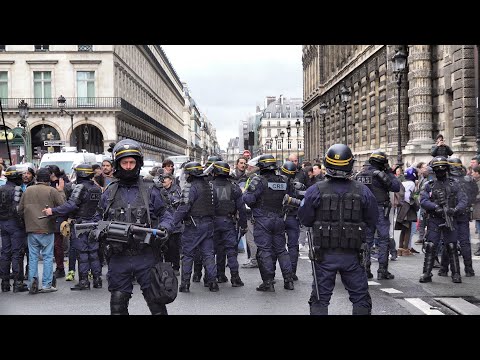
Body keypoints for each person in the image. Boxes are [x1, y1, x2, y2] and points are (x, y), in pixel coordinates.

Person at [94, 139, 173, 315]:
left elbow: (166, 214)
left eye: (132, 162)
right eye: (124, 162)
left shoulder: (151, 189)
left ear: (138, 163)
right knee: (118, 306)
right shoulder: (109, 191)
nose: (129, 166)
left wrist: (165, 228)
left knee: (156, 304)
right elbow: (98, 217)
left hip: (146, 255)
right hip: (118, 257)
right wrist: (97, 231)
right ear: (118, 164)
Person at [298, 144, 378, 315]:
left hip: (324, 255)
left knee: (320, 298)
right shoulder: (363, 191)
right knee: (360, 298)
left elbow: (305, 219)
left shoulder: (315, 191)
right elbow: (373, 220)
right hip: (353, 255)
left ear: (327, 165)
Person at [42, 164, 104, 290]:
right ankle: (97, 280)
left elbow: (71, 205)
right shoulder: (97, 188)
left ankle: (83, 281)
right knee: (93, 253)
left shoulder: (80, 187)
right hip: (94, 224)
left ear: (80, 174)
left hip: (81, 224)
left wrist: (52, 211)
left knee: (83, 254)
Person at [242, 154, 294, 292]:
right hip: (279, 219)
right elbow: (288, 197)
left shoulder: (258, 180)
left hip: (263, 219)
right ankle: (289, 281)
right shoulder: (283, 180)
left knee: (264, 251)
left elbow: (248, 199)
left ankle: (268, 282)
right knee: (281, 250)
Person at [419, 156, 467, 283]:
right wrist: (435, 207)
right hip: (435, 218)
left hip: (450, 217)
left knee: (451, 245)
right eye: (437, 169)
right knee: (430, 245)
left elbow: (463, 200)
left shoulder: (454, 184)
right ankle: (426, 273)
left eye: (442, 168)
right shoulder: (429, 185)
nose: (440, 171)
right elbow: (423, 200)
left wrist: (455, 210)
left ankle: (456, 273)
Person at [354, 150, 401, 280]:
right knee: (383, 239)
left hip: (365, 210)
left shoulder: (360, 174)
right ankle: (382, 270)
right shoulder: (380, 174)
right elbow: (396, 186)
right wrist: (389, 171)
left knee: (367, 240)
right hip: (380, 209)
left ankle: (366, 268)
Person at [17, 167, 66, 293]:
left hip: (31, 228)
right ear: (49, 178)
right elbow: (62, 206)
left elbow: (20, 210)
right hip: (47, 228)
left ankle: (32, 282)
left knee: (33, 257)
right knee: (47, 256)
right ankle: (46, 284)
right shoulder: (52, 191)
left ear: (36, 178)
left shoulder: (28, 190)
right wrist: (60, 191)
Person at [173, 161, 219, 293]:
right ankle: (213, 283)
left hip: (193, 225)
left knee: (188, 255)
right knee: (208, 254)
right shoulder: (210, 186)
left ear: (190, 174)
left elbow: (184, 207)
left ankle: (185, 284)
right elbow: (215, 205)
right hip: (208, 224)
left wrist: (173, 223)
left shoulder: (190, 187)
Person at [437, 157, 477, 277]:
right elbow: (474, 195)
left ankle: (444, 269)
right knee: (465, 242)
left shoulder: (447, 180)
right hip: (463, 214)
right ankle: (469, 269)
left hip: (450, 214)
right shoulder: (469, 179)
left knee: (449, 242)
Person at [211, 161, 247, 286]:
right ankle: (235, 278)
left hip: (213, 222)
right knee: (231, 251)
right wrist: (243, 225)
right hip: (228, 222)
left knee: (214, 250)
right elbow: (241, 208)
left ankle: (218, 276)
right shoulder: (234, 187)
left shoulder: (209, 186)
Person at [0, 166, 29, 292]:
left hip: (3, 223)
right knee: (17, 253)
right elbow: (18, 210)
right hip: (15, 225)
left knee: (5, 253)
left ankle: (5, 283)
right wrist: (22, 224)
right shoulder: (17, 190)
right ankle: (18, 282)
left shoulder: (1, 189)